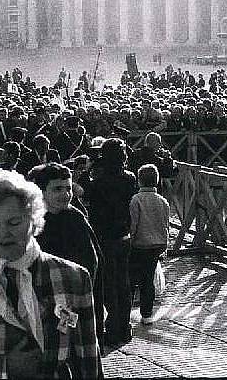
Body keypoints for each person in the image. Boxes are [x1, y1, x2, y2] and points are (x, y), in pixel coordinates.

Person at [0, 169, 102, 379]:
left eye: (14, 223)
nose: (4, 233)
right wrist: (5, 369)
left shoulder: (74, 277)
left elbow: (88, 358)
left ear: (33, 221)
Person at [28, 162, 105, 347]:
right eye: (57, 189)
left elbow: (93, 263)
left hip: (74, 300)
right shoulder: (32, 221)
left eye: (68, 188)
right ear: (42, 191)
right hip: (40, 302)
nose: (66, 194)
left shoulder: (76, 218)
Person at [87, 138, 138, 346]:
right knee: (124, 283)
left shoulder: (98, 182)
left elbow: (88, 195)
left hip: (103, 236)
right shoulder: (129, 178)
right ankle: (124, 327)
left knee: (108, 284)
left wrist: (91, 166)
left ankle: (112, 326)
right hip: (124, 234)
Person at [129, 164, 170, 325]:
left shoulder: (136, 200)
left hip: (139, 244)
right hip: (156, 245)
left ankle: (127, 313)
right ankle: (147, 314)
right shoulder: (163, 201)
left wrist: (129, 242)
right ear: (157, 181)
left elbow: (134, 224)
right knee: (148, 280)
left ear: (139, 181)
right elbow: (165, 225)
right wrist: (165, 245)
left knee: (132, 280)